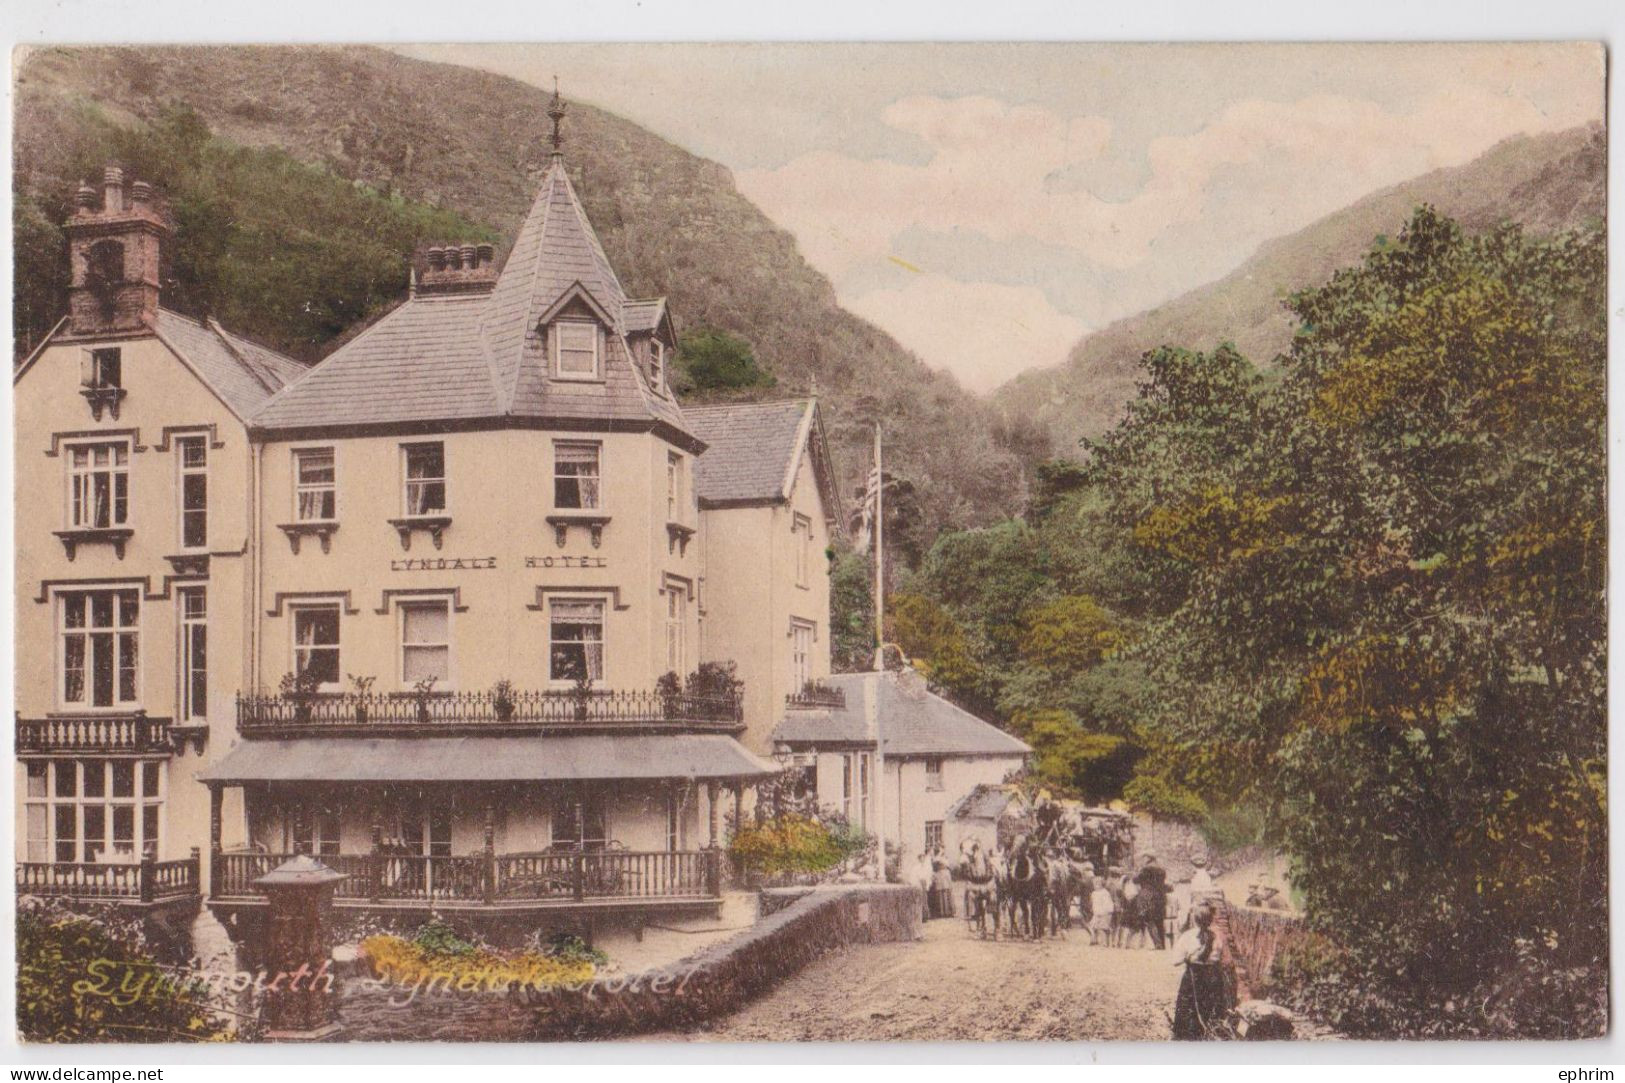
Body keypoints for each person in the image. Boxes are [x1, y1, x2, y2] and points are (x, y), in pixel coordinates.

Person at [1171, 902, 1236, 1039]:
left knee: (1189, 1009)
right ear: (1210, 919)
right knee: (1211, 1008)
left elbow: (1175, 961)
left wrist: (1189, 957)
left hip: (1194, 977)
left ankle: (1186, 1037)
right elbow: (1226, 962)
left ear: (1194, 919)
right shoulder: (1218, 936)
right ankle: (1209, 1034)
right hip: (1213, 977)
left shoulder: (1187, 936)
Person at [1134, 853, 1170, 949]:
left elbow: (1136, 880)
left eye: (1144, 858)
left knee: (1149, 920)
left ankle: (1157, 943)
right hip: (1160, 897)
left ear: (1148, 858)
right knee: (1159, 921)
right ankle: (1163, 944)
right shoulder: (1162, 870)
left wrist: (1138, 870)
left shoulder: (1146, 869)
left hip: (1148, 896)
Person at [1088, 879, 1116, 946]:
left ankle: (1104, 942)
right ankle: (1094, 939)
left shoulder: (1105, 893)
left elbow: (1107, 903)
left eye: (1097, 884)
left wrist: (1105, 912)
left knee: (1102, 928)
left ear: (1101, 886)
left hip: (1103, 913)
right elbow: (1093, 903)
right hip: (1097, 913)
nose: (1095, 886)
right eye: (1095, 884)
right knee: (1092, 927)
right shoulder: (1094, 893)